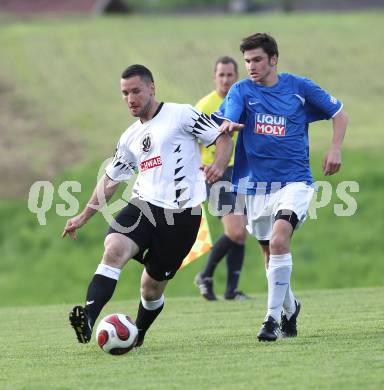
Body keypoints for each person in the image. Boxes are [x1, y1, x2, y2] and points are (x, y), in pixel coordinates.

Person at [62, 64, 233, 347]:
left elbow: (222, 137)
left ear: (152, 88)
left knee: (151, 289)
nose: (131, 98)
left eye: (136, 91)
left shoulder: (181, 114)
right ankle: (88, 318)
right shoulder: (129, 137)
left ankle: (137, 335)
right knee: (114, 249)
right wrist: (83, 216)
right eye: (125, 93)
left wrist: (218, 165)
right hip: (144, 206)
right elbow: (111, 179)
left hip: (183, 216)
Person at [218, 33, 348, 341]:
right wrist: (228, 129)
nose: (251, 66)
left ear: (273, 59)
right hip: (255, 187)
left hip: (295, 181)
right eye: (247, 60)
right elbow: (227, 122)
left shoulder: (299, 88)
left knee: (278, 241)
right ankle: (292, 307)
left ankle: (271, 321)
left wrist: (335, 148)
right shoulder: (240, 90)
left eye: (257, 60)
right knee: (269, 254)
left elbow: (339, 114)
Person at [194, 56, 249, 301]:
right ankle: (204, 275)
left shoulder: (243, 100)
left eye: (230, 75)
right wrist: (197, 167)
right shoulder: (205, 105)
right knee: (236, 230)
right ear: (214, 77)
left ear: (236, 77)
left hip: (243, 171)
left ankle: (231, 290)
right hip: (216, 172)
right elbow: (189, 139)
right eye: (221, 75)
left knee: (242, 231)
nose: (226, 79)